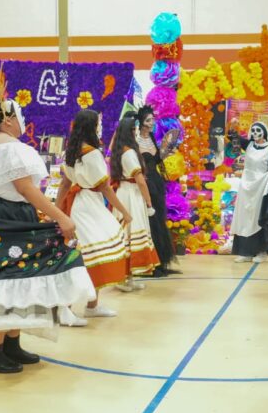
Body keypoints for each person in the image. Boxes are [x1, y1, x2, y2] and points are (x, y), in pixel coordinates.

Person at [0, 94, 95, 374]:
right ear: (8, 120)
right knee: (6, 280)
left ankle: (10, 344)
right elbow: (26, 189)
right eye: (19, 115)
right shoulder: (10, 150)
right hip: (8, 217)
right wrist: (61, 217)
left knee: (16, 278)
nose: (22, 120)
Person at [57, 109, 131, 319]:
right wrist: (124, 211)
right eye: (98, 124)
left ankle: (91, 305)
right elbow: (105, 188)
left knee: (90, 254)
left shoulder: (71, 151)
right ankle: (66, 309)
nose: (100, 127)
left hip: (79, 205)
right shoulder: (92, 153)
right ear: (92, 127)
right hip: (90, 206)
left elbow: (65, 184)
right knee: (87, 256)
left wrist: (56, 209)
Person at [110, 117, 159, 291]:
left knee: (128, 234)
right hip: (131, 195)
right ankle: (122, 278)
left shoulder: (119, 150)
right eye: (135, 129)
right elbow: (140, 180)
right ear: (130, 131)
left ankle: (128, 277)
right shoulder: (129, 152)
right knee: (129, 233)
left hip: (125, 192)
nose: (137, 131)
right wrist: (149, 202)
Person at [229, 121, 268, 263]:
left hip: (261, 188)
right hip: (246, 188)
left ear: (264, 133)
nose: (255, 133)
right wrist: (233, 127)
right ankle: (245, 252)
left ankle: (261, 251)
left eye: (258, 131)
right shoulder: (248, 145)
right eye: (252, 130)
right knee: (244, 218)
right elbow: (233, 137)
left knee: (258, 218)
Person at [136, 106, 178, 275]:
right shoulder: (135, 140)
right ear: (141, 122)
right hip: (144, 183)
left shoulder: (152, 137)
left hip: (157, 182)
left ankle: (160, 259)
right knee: (149, 221)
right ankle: (147, 262)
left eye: (152, 119)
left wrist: (166, 153)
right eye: (148, 120)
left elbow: (156, 160)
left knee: (159, 219)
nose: (152, 123)